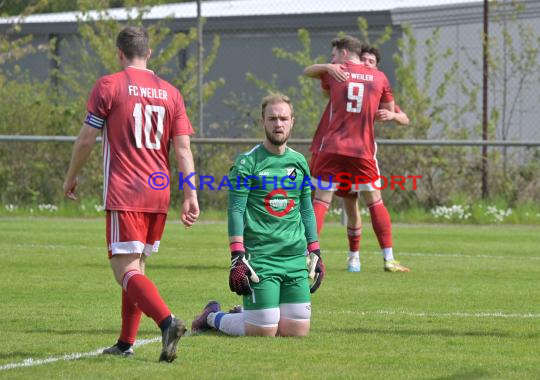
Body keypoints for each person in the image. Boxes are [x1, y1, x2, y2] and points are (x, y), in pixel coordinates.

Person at [63, 26, 199, 362]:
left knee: (124, 270)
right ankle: (126, 342)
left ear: (120, 53)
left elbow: (85, 140)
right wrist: (191, 193)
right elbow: (182, 148)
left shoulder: (109, 85)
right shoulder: (171, 92)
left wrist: (71, 176)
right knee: (136, 267)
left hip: (125, 191)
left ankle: (167, 322)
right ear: (149, 53)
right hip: (158, 194)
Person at [191, 94, 324, 337]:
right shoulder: (247, 163)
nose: (278, 124)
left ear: (292, 121)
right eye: (272, 118)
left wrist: (315, 250)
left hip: (295, 258)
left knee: (297, 331)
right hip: (261, 259)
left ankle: (251, 308)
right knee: (262, 332)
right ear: (263, 121)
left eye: (284, 118)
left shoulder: (299, 162)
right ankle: (211, 316)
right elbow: (236, 210)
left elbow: (306, 208)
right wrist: (237, 257)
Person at [303, 36, 409, 273]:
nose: (331, 59)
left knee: (321, 201)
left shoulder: (335, 72)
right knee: (375, 202)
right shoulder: (379, 77)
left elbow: (308, 72)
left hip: (332, 148)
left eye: (333, 55)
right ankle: (388, 258)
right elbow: (391, 111)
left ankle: (307, 257)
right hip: (362, 151)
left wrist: (327, 67)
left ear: (342, 53)